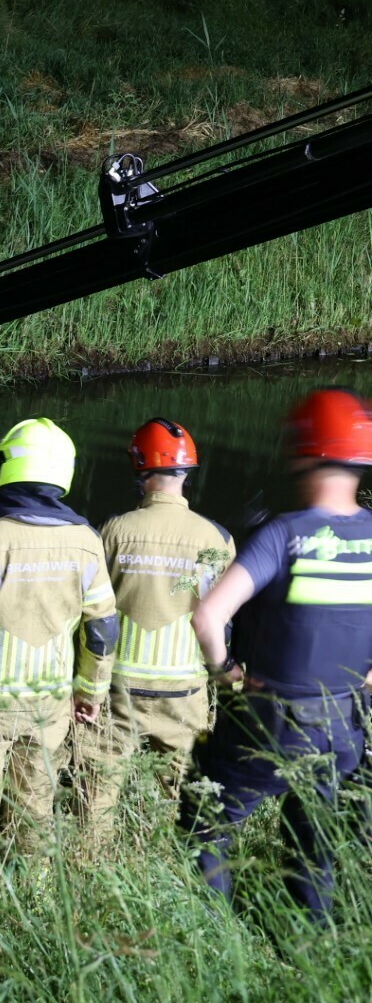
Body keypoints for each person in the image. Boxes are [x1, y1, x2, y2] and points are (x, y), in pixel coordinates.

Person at [180, 387, 372, 921]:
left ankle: (212, 937)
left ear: (305, 451)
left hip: (274, 719)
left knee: (207, 821)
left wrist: (225, 673)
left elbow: (207, 617)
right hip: (344, 727)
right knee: (315, 845)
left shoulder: (283, 534)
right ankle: (309, 946)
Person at [0, 417, 119, 882]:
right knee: (36, 812)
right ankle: (36, 903)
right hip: (49, 707)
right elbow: (102, 631)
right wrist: (89, 694)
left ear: (6, 466)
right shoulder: (87, 542)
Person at [72, 419, 235, 843]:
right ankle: (180, 872)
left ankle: (91, 866)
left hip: (116, 688)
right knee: (185, 798)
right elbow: (223, 617)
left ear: (140, 467)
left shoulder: (113, 531)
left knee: (96, 796)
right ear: (187, 470)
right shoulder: (216, 538)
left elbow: (89, 612)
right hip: (183, 692)